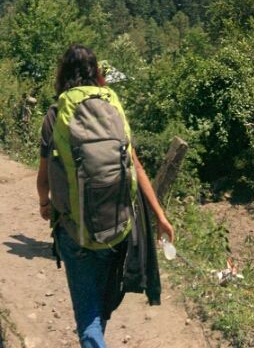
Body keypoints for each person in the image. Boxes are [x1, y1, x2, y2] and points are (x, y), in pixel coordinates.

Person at [36, 44, 174, 348]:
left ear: (63, 73)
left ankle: (94, 339)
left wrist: (45, 204)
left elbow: (43, 176)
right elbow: (135, 165)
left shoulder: (56, 113)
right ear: (96, 71)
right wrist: (160, 216)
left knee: (88, 316)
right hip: (117, 227)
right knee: (101, 304)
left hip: (75, 231)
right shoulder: (112, 105)